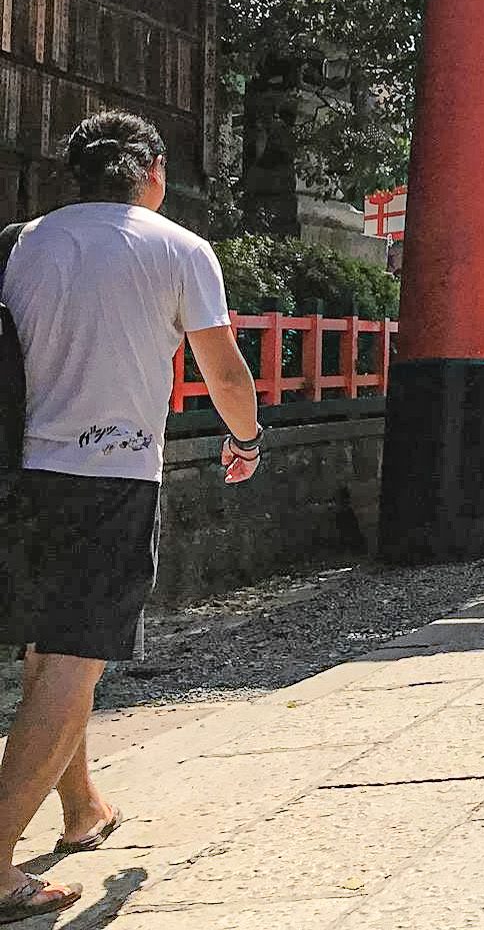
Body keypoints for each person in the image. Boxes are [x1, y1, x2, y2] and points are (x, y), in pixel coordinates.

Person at [0, 113, 262, 923]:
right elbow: (221, 366)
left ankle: (81, 807)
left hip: (20, 474)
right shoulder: (178, 246)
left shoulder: (23, 242)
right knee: (77, 661)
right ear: (150, 171)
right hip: (108, 473)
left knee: (52, 649)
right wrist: (247, 438)